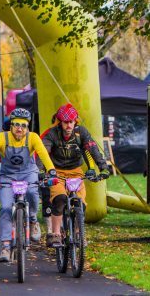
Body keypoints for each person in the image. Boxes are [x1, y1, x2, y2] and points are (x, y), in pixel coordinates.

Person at [0, 108, 56, 262]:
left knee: (32, 194)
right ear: (11, 125)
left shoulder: (33, 137)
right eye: (16, 124)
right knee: (6, 208)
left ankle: (33, 219)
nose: (19, 128)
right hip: (8, 176)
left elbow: (43, 154)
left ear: (28, 126)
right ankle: (6, 247)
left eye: (23, 125)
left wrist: (52, 171)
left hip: (28, 173)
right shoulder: (1, 137)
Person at [40, 104, 110, 247]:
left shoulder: (81, 133)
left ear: (75, 122)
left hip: (76, 171)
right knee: (59, 199)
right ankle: (55, 234)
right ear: (60, 122)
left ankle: (78, 233)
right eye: (66, 122)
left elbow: (92, 149)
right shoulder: (52, 134)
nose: (69, 126)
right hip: (56, 172)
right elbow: (43, 153)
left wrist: (103, 168)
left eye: (71, 122)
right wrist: (41, 171)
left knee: (80, 204)